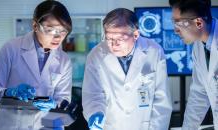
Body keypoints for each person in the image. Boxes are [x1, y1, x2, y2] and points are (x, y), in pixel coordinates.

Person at [82, 8, 172, 130]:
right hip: (111, 126)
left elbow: (161, 99)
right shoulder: (96, 55)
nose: (114, 44)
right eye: (109, 38)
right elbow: (93, 94)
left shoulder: (154, 51)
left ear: (135, 35)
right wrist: (95, 112)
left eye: (120, 38)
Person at [0, 0, 72, 129]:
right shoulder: (11, 48)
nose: (58, 37)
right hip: (10, 125)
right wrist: (10, 92)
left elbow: (63, 100)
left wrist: (54, 104)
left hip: (44, 125)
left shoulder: (64, 60)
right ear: (35, 25)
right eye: (50, 30)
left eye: (63, 31)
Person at [169, 0, 218, 129]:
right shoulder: (199, 46)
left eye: (178, 23)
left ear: (198, 23)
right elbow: (200, 93)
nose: (175, 30)